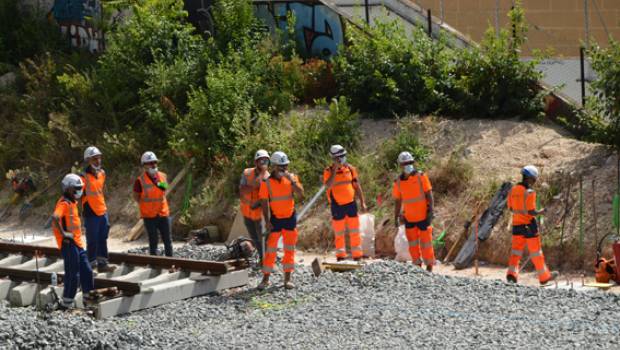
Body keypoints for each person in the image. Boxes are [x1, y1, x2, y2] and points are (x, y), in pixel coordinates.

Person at [257, 151, 304, 290]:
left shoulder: (292, 178)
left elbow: (301, 193)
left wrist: (292, 180)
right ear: (274, 167)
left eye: (286, 165)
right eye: (281, 166)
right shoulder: (267, 183)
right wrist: (267, 221)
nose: (284, 169)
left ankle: (287, 280)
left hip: (290, 219)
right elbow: (264, 203)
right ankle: (265, 279)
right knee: (270, 250)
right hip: (276, 220)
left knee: (289, 250)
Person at [506, 165, 558, 285]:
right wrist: (541, 212)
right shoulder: (530, 192)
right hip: (529, 225)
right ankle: (544, 277)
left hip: (517, 225)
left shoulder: (512, 190)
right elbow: (531, 211)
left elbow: (510, 208)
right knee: (536, 253)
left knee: (516, 252)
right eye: (534, 179)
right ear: (529, 178)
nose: (534, 182)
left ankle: (511, 275)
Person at [51, 174, 94, 309]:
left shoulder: (73, 203)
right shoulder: (64, 203)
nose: (79, 191)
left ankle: (89, 298)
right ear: (68, 189)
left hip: (77, 244)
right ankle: (67, 302)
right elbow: (55, 217)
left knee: (87, 270)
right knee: (73, 273)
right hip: (68, 244)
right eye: (76, 188)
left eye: (80, 188)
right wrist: (64, 234)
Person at [392, 151, 435, 272]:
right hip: (409, 218)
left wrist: (431, 210)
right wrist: (396, 217)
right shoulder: (398, 182)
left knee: (426, 243)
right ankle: (417, 266)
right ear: (400, 165)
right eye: (405, 163)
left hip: (423, 216)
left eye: (410, 162)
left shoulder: (421, 176)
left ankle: (429, 265)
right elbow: (397, 201)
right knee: (413, 245)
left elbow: (429, 193)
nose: (408, 165)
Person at [323, 145, 366, 261]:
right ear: (334, 158)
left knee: (355, 231)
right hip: (337, 206)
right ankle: (341, 256)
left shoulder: (351, 169)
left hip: (351, 204)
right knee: (339, 233)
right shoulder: (328, 171)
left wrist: (362, 202)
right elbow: (328, 185)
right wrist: (335, 169)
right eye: (339, 157)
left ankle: (357, 256)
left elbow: (357, 186)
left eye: (343, 156)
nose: (342, 158)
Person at [80, 146, 114, 272]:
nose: (98, 161)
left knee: (102, 238)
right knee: (92, 240)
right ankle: (90, 266)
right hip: (90, 213)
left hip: (102, 211)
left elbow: (99, 192)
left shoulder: (102, 174)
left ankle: (102, 264)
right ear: (88, 160)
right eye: (94, 159)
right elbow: (78, 195)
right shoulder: (83, 177)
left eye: (99, 158)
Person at [132, 151, 173, 256]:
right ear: (144, 166)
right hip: (149, 216)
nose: (153, 165)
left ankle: (171, 262)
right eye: (150, 163)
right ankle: (154, 263)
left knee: (167, 240)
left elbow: (164, 188)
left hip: (163, 213)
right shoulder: (140, 181)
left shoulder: (162, 176)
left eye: (154, 162)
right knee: (153, 240)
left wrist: (157, 182)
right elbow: (136, 197)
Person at [239, 149, 270, 260]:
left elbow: (266, 199)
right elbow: (242, 191)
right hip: (246, 212)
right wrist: (254, 184)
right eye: (261, 161)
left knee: (262, 237)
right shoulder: (247, 173)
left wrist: (266, 219)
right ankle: (262, 257)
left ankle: (265, 259)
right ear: (256, 162)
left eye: (266, 161)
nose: (263, 163)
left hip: (258, 214)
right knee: (254, 237)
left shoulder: (268, 178)